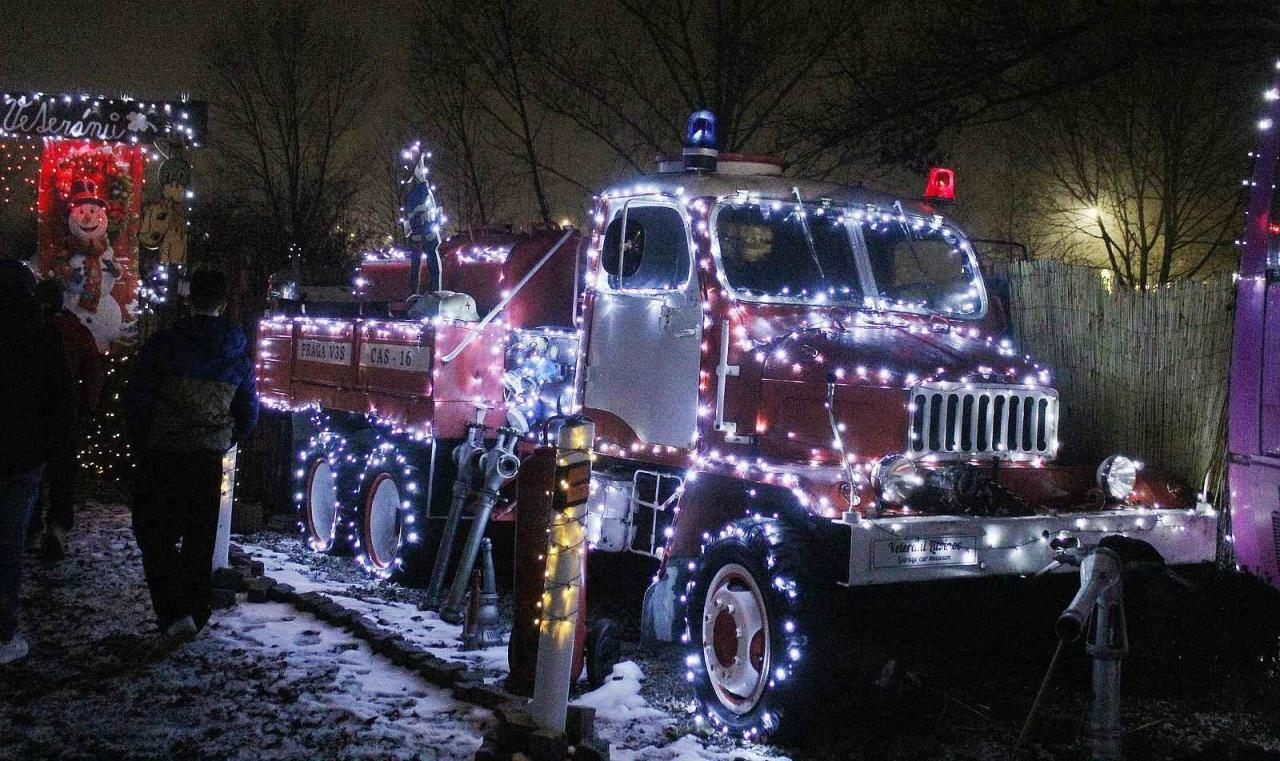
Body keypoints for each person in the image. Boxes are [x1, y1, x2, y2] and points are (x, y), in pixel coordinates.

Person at [123, 270, 257, 641]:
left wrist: (143, 438)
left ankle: (173, 610)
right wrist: (227, 438)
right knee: (200, 537)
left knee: (154, 533)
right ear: (223, 303)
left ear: (189, 298)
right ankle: (195, 611)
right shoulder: (236, 353)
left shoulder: (165, 344)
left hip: (163, 453)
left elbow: (137, 397)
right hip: (207, 456)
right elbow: (248, 409)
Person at [0, 260, 75, 664]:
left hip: (23, 450)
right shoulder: (41, 334)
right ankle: (2, 633)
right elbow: (60, 398)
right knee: (9, 543)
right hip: (22, 453)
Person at [32, 278, 106, 560]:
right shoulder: (76, 332)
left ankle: (29, 526)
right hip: (65, 412)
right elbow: (93, 372)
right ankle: (58, 526)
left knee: (29, 471)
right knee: (62, 473)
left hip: (28, 413)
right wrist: (87, 405)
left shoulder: (26, 328)